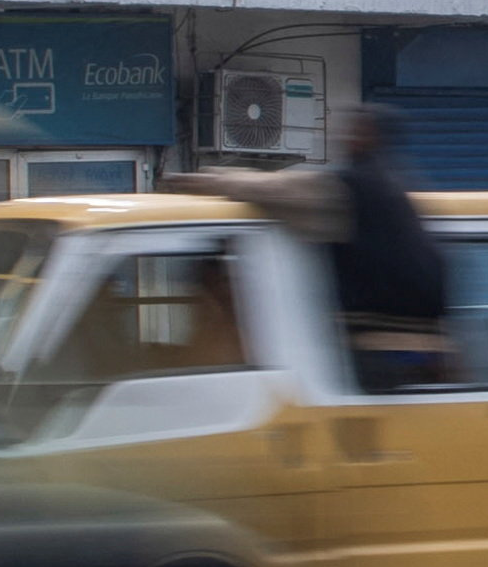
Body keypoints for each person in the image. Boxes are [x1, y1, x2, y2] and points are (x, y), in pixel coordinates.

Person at [188, 104, 450, 390]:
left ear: (372, 136)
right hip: (423, 348)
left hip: (377, 348)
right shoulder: (399, 189)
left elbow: (273, 190)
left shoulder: (353, 187)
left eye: (356, 130)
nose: (345, 136)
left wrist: (202, 181)